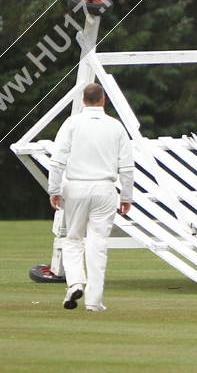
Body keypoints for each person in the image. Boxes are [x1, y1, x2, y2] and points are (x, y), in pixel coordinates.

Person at [48, 83, 134, 311]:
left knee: (73, 239)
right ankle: (94, 302)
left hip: (76, 187)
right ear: (103, 99)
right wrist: (127, 196)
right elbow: (126, 167)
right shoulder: (116, 127)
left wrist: (53, 190)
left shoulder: (72, 123)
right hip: (105, 189)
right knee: (98, 243)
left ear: (84, 100)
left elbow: (57, 162)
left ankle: (75, 282)